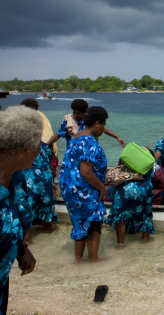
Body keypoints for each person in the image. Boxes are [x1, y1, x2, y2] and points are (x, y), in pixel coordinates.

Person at [0, 106, 40, 313]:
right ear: (25, 149)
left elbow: (13, 219)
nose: (40, 151)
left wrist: (22, 248)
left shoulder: (15, 179)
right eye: (38, 146)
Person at [59, 106, 109, 262]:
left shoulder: (77, 136)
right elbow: (86, 172)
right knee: (94, 222)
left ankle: (78, 260)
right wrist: (102, 187)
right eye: (103, 124)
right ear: (96, 123)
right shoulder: (89, 141)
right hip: (83, 189)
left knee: (80, 223)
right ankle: (93, 260)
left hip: (69, 187)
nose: (103, 128)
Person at [18, 99, 59, 239]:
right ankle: (48, 239)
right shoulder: (39, 133)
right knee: (46, 212)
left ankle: (29, 244)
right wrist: (52, 182)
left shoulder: (19, 134)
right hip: (44, 177)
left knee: (26, 215)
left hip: (28, 178)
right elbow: (49, 162)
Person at [105, 155, 155, 246]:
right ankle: (145, 242)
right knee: (146, 217)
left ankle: (120, 244)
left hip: (126, 190)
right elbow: (152, 176)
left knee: (120, 218)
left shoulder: (126, 158)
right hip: (144, 189)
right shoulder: (149, 160)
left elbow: (118, 172)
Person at [47, 98, 125, 151]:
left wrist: (116, 137)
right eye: (74, 112)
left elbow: (103, 129)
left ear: (84, 113)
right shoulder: (68, 122)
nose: (75, 115)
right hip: (73, 151)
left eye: (78, 113)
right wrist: (47, 144)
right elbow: (58, 134)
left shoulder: (89, 121)